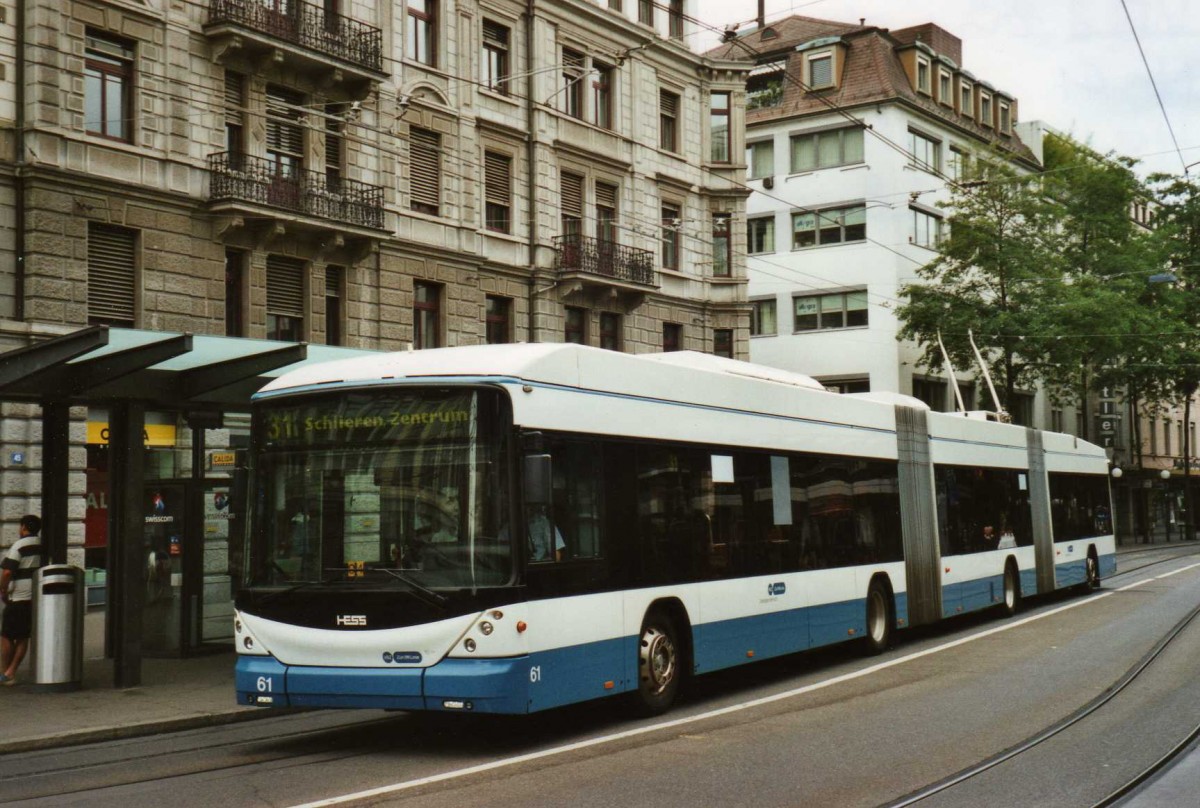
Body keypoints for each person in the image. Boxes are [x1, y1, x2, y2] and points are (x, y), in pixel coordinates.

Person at [1, 515, 43, 686]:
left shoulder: (19, 545)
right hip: (33, 596)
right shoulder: (41, 545)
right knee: (23, 636)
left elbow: (7, 572)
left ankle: (5, 672)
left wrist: (3, 588)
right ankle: (12, 670)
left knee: (6, 636)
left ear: (24, 527)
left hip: (18, 596)